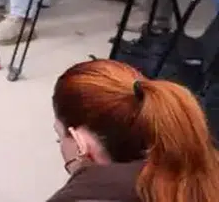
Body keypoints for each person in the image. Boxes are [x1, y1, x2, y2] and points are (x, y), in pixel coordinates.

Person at [48, 59, 219, 202]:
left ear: (81, 144)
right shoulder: (200, 177)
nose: (60, 145)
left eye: (60, 137)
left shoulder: (81, 196)